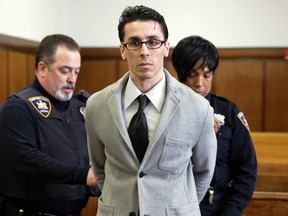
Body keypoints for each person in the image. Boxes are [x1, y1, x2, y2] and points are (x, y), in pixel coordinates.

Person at [85, 5, 217, 216]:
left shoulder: (198, 108)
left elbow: (203, 172)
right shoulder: (96, 106)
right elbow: (101, 169)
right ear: (122, 50)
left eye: (153, 42)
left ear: (166, 48)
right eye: (134, 43)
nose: (145, 51)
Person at [0, 34, 100, 216]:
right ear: (42, 68)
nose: (72, 79)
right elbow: (26, 160)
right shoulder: (18, 107)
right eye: (65, 71)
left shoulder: (82, 107)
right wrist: (83, 175)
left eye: (76, 71)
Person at [172, 35, 257, 216]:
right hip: (174, 207)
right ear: (179, 75)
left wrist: (231, 212)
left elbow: (246, 171)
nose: (199, 84)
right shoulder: (166, 112)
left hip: (218, 207)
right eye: (192, 75)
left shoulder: (228, 111)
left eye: (207, 75)